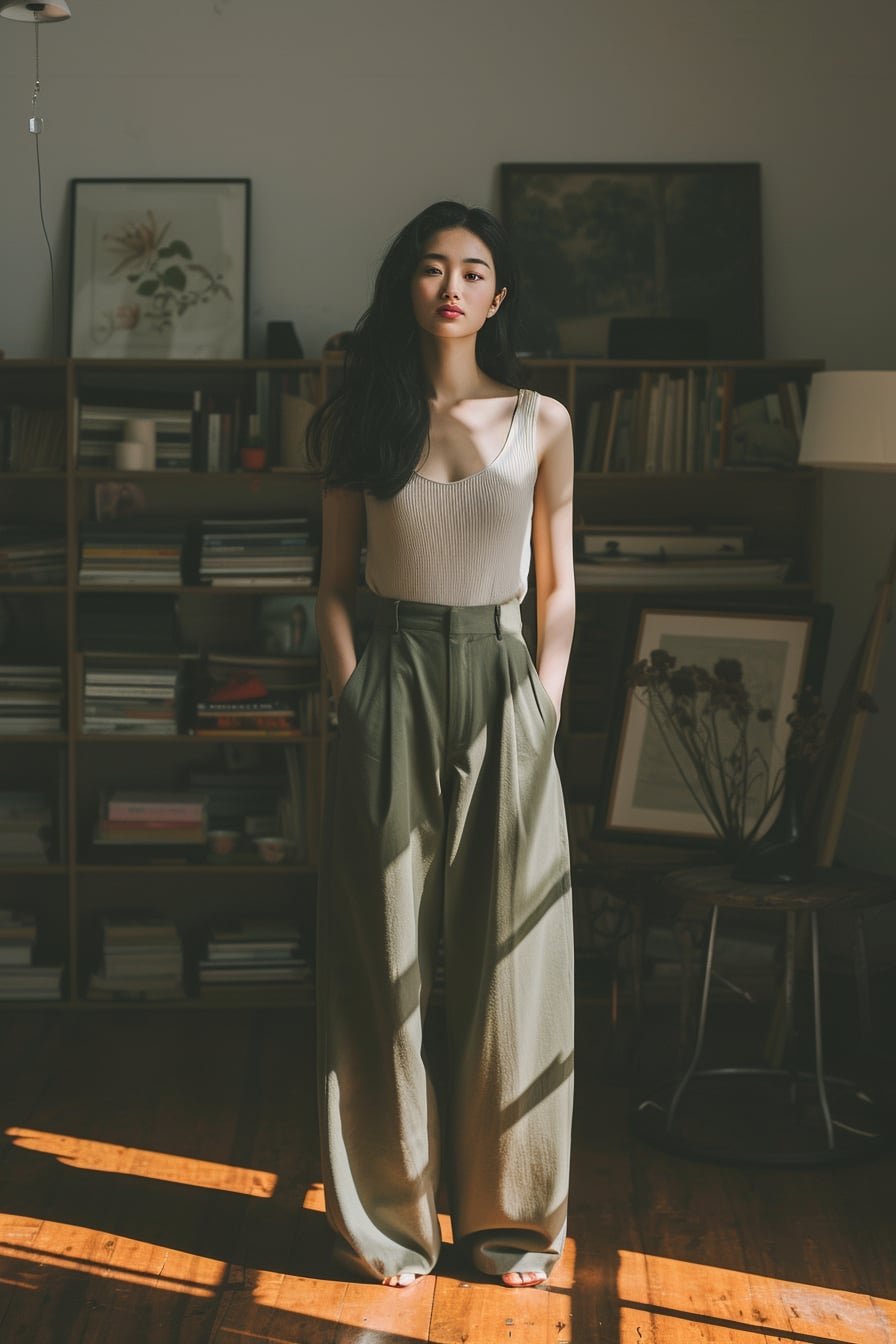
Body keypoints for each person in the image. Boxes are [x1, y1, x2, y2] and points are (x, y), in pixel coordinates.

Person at [309, 200, 576, 1290]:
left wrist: (542, 709)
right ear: (405, 288)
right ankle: (388, 1223)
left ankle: (510, 1225)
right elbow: (327, 587)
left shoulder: (543, 420)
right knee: (382, 961)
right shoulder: (361, 418)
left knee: (516, 963)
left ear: (498, 295)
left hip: (505, 683)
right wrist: (356, 696)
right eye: (430, 268)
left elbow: (559, 588)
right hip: (392, 677)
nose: (451, 286)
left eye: (472, 270)